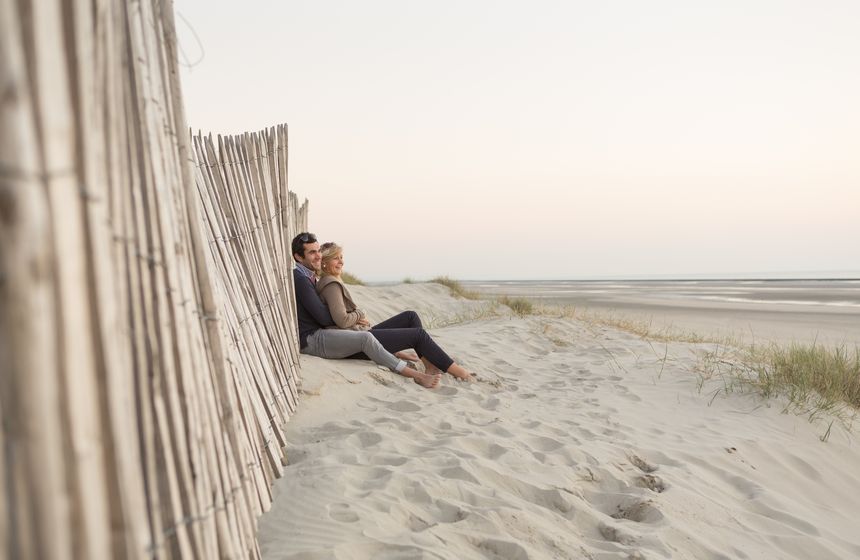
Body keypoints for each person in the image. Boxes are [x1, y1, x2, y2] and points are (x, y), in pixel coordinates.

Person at [291, 232, 441, 389]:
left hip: (320, 334)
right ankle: (417, 376)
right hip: (311, 339)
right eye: (312, 252)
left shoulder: (309, 276)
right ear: (299, 257)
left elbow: (324, 314)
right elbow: (324, 318)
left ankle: (401, 355)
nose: (318, 256)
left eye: (318, 250)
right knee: (365, 338)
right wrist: (353, 315)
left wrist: (345, 317)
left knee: (377, 330)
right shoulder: (301, 279)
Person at [317, 241, 474, 381]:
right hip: (357, 345)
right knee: (418, 335)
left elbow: (338, 317)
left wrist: (356, 318)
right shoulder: (331, 285)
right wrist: (360, 313)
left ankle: (430, 366)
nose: (341, 262)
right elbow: (342, 320)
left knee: (410, 317)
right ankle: (460, 372)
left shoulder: (332, 282)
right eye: (336, 258)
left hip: (359, 335)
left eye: (341, 257)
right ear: (324, 263)